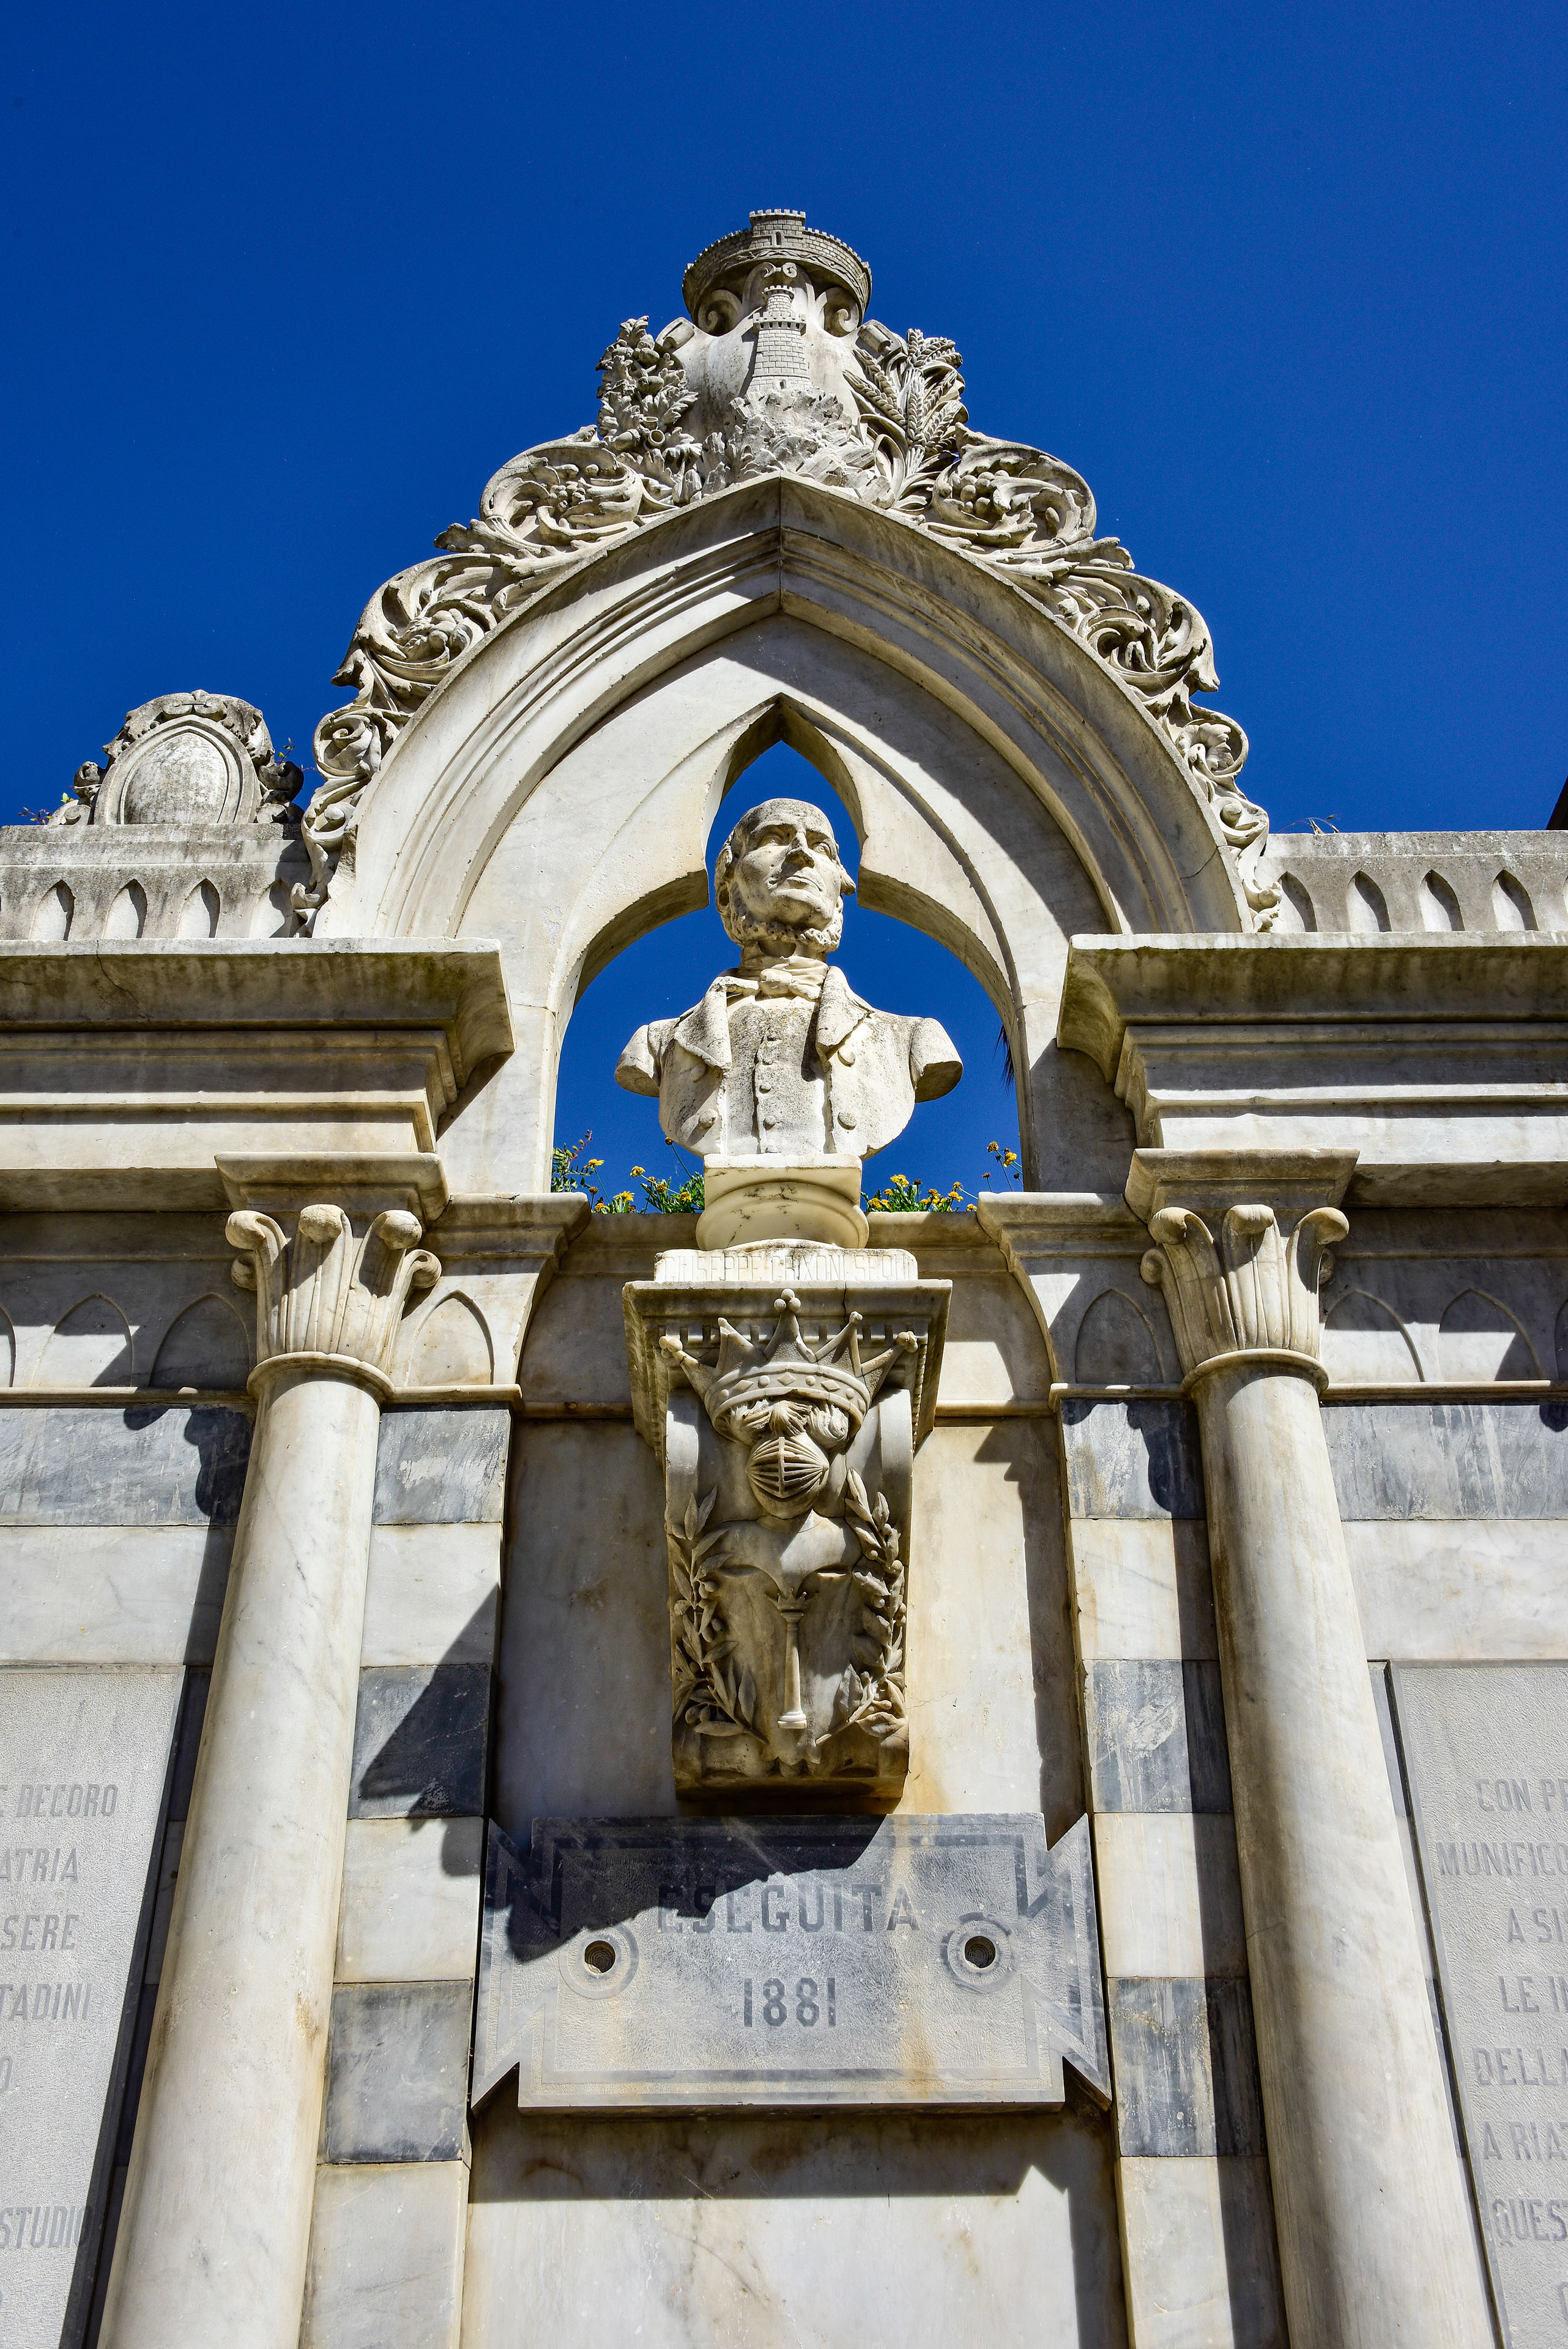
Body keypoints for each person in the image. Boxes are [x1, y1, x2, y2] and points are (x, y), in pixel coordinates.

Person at [616, 798, 961, 1159]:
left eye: (821, 847)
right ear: (724, 890)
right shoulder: (658, 1043)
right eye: (772, 839)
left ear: (841, 891)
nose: (801, 854)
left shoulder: (912, 1040)